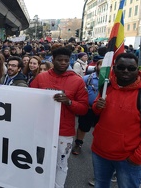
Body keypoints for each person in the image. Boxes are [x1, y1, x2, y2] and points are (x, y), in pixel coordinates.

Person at [30, 47, 88, 188]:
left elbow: (83, 108)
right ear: (52, 60)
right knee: (40, 160)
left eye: (66, 60)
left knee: (61, 164)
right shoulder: (41, 77)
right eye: (59, 60)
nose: (63, 63)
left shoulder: (77, 81)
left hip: (64, 131)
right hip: (42, 128)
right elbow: (30, 99)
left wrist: (69, 102)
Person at [91, 53, 141, 188]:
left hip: (127, 158)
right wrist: (97, 106)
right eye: (121, 67)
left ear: (138, 69)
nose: (126, 71)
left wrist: (137, 157)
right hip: (100, 151)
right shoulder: (107, 86)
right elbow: (96, 110)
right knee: (100, 184)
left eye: (131, 68)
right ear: (114, 68)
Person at [72, 59, 102, 156]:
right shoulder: (87, 78)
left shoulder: (111, 80)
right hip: (88, 108)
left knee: (101, 128)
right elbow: (79, 92)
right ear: (96, 66)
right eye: (101, 65)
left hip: (102, 110)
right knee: (83, 127)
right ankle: (78, 144)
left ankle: (98, 146)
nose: (103, 68)